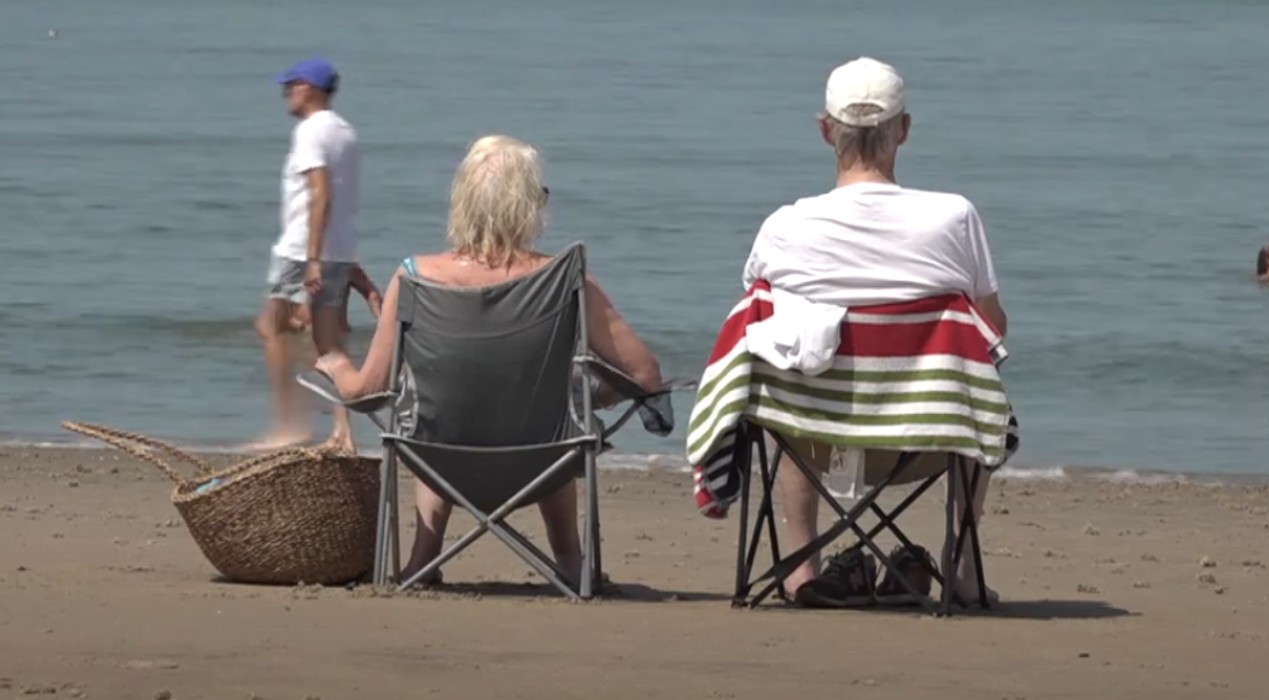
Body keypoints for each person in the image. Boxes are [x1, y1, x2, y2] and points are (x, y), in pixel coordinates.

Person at [313, 135, 663, 584]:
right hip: (543, 462)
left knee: (432, 407)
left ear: (462, 202)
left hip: (438, 459)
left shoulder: (414, 278)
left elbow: (369, 392)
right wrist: (594, 396)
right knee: (558, 410)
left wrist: (335, 362)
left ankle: (424, 557)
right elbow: (645, 374)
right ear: (528, 205)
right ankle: (571, 563)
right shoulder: (566, 278)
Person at [741, 57, 1007, 608]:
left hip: (815, 438)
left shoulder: (784, 227)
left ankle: (801, 569)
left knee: (795, 378)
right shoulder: (953, 218)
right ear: (903, 130)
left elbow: (758, 332)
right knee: (985, 400)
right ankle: (958, 569)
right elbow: (991, 335)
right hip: (929, 439)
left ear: (825, 130)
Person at [253, 57, 362, 452]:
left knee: (271, 327)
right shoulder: (345, 132)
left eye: (291, 85)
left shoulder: (310, 132)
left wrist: (311, 260)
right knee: (327, 341)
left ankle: (290, 424)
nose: (286, 92)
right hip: (336, 250)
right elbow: (343, 200)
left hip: (302, 250)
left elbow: (322, 195)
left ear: (310, 89)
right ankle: (342, 430)